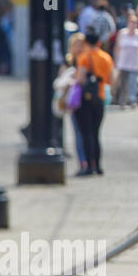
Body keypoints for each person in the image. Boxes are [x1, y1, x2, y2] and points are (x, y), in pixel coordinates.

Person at [74, 26, 114, 176]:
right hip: (101, 97)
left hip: (86, 99)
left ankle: (89, 166)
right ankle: (98, 165)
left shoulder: (84, 57)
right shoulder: (106, 58)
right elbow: (111, 79)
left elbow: (80, 78)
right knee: (96, 133)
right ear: (98, 42)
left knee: (86, 133)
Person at [53, 31, 88, 172]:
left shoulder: (86, 59)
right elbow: (59, 81)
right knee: (78, 133)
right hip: (73, 102)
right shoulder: (68, 61)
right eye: (76, 44)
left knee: (87, 133)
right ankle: (82, 163)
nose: (78, 47)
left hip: (86, 100)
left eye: (81, 44)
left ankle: (89, 161)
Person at [113, 9, 138, 107]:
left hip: (134, 62)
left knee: (133, 82)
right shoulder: (122, 33)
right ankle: (122, 100)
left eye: (135, 23)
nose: (133, 24)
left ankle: (132, 100)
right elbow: (117, 47)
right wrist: (115, 61)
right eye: (131, 22)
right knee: (123, 82)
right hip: (123, 62)